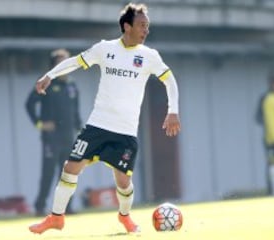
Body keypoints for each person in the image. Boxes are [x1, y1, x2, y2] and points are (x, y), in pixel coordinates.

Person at [28, 3, 180, 234]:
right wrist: (50, 75)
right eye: (141, 25)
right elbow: (75, 62)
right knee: (70, 168)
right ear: (126, 26)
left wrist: (172, 111)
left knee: (123, 182)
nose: (146, 30)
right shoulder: (104, 49)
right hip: (97, 126)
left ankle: (125, 217)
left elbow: (170, 81)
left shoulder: (149, 56)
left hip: (126, 132)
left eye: (147, 26)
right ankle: (56, 217)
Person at [25, 49, 81, 216]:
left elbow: (75, 110)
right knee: (48, 174)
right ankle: (39, 206)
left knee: (68, 173)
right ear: (53, 66)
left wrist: (79, 127)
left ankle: (67, 208)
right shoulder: (46, 83)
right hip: (51, 138)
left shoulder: (72, 85)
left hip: (68, 137)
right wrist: (39, 124)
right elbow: (29, 104)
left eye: (66, 61)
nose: (64, 64)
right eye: (60, 62)